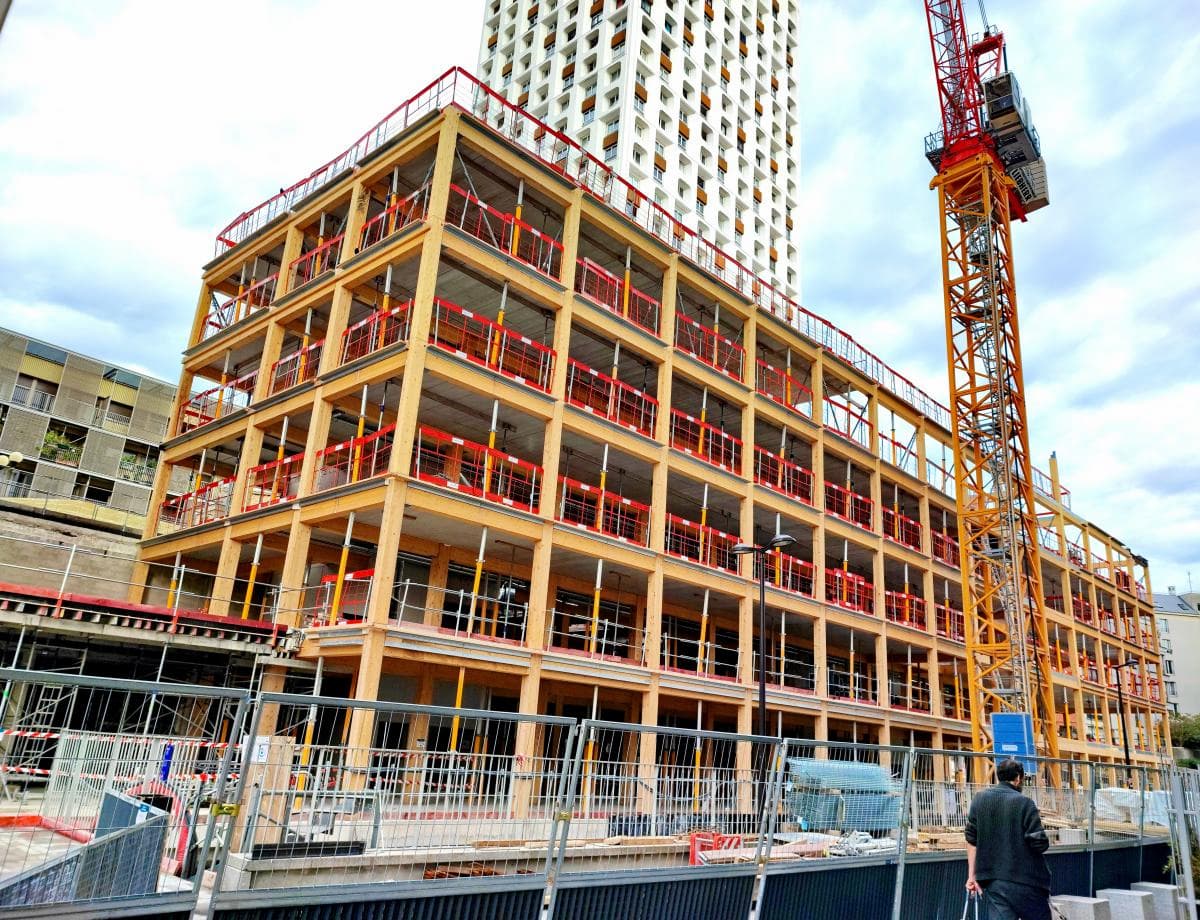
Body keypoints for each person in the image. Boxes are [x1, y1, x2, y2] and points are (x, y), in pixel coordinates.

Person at [965, 757, 1052, 920]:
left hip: (993, 881)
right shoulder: (1024, 803)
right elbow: (1039, 843)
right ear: (1018, 778)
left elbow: (971, 839)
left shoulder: (979, 799)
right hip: (1027, 881)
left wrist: (972, 876)